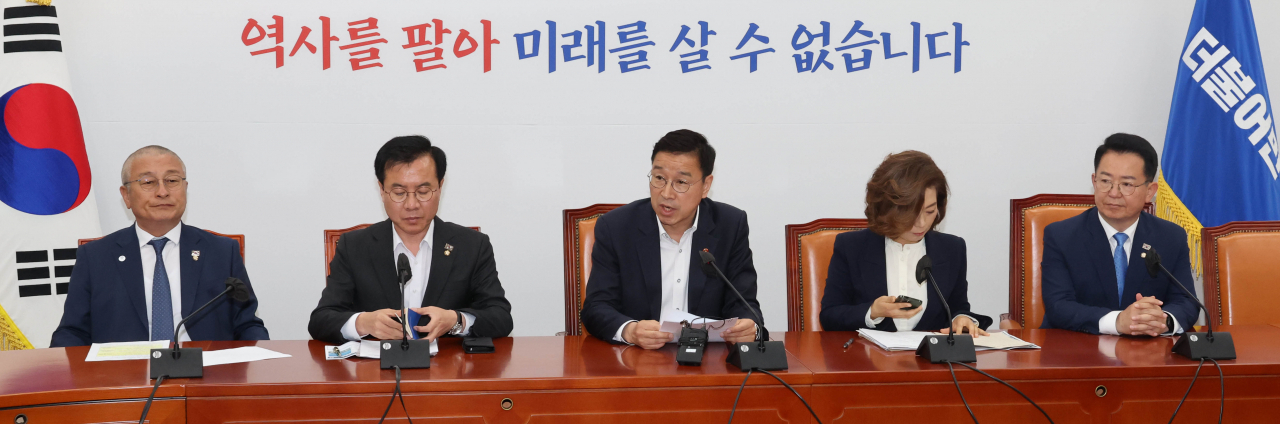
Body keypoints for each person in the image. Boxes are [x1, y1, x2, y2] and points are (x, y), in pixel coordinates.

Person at [51, 146, 268, 347]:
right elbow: (72, 332)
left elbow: (248, 325)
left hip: (206, 376)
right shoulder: (96, 256)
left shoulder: (221, 251)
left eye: (172, 180)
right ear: (126, 196)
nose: (162, 192)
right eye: (148, 182)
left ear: (185, 189)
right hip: (124, 379)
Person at [309, 135, 512, 345]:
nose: (412, 204)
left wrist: (456, 320)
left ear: (440, 187)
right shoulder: (354, 246)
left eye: (423, 191)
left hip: (447, 372)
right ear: (382, 190)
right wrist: (363, 323)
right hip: (377, 372)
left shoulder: (472, 245)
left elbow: (501, 318)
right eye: (399, 192)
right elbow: (320, 320)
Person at [580, 129, 761, 349]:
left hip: (708, 363)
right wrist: (630, 330)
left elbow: (745, 304)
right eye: (659, 178)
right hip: (637, 362)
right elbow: (596, 307)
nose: (666, 193)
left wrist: (749, 327)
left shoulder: (730, 225)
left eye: (681, 182)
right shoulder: (617, 227)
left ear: (705, 186)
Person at [1040, 133, 1198, 336]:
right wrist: (1117, 321)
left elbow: (1186, 301)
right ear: (1094, 182)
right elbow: (1058, 306)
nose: (1113, 193)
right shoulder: (1061, 236)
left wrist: (1163, 320)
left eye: (1127, 184)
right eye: (1105, 181)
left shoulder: (1170, 237)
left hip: (1147, 356)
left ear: (1150, 191)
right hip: (1077, 352)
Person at [820, 151, 991, 335]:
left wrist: (961, 319)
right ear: (887, 209)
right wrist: (872, 312)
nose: (922, 223)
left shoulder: (952, 249)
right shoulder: (852, 247)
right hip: (869, 360)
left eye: (929, 211)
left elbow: (958, 307)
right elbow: (830, 316)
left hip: (932, 361)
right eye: (911, 214)